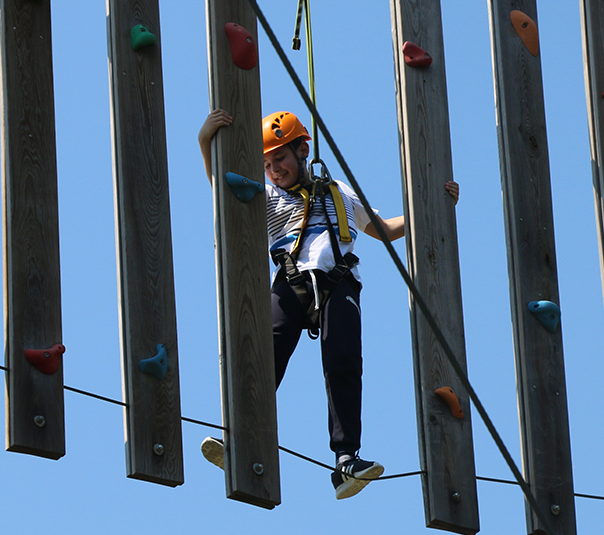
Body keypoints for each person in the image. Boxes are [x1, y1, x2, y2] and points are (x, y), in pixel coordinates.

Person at [197, 107, 459, 499]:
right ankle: (237, 434)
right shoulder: (267, 197)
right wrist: (206, 140)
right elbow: (222, 185)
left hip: (339, 283)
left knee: (343, 361)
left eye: (281, 158)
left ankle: (346, 460)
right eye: (267, 164)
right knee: (265, 351)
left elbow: (385, 230)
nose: (275, 170)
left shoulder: (338, 192)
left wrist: (435, 206)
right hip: (291, 281)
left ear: (303, 150)